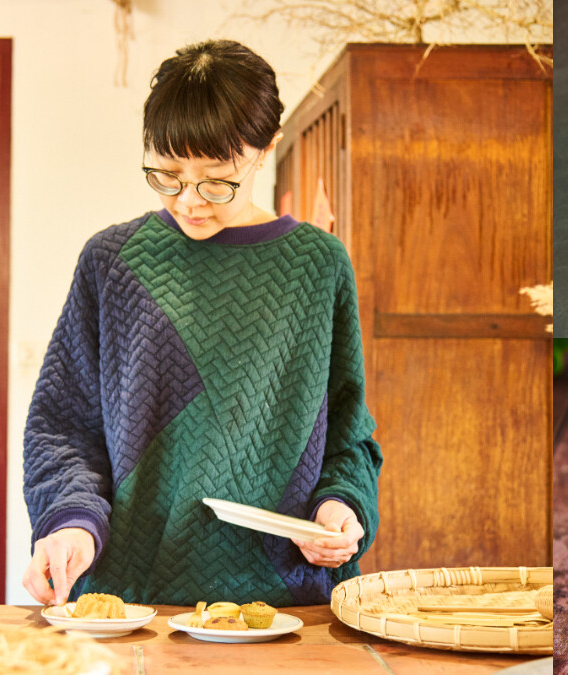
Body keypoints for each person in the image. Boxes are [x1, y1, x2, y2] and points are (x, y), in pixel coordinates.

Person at [21, 39, 382, 607]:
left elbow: (349, 438)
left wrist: (340, 506)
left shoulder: (318, 266)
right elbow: (61, 427)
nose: (190, 200)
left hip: (282, 606)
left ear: (266, 150)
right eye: (167, 174)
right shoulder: (112, 262)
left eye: (217, 179)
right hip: (126, 604)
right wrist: (68, 524)